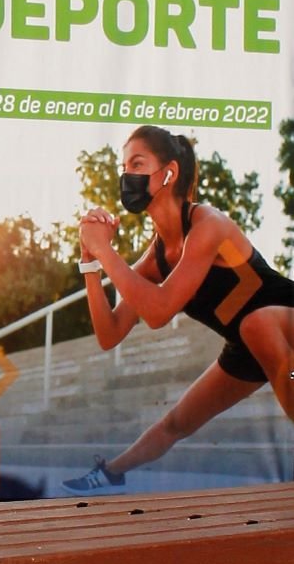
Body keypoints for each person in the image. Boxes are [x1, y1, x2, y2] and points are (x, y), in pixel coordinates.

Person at [62, 126, 294, 494]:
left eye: (137, 163)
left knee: (257, 323)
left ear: (168, 173)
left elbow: (159, 311)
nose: (127, 176)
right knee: (176, 422)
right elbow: (109, 334)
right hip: (247, 342)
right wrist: (90, 261)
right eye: (124, 166)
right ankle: (110, 474)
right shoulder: (156, 258)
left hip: (284, 317)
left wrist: (107, 252)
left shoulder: (208, 224)